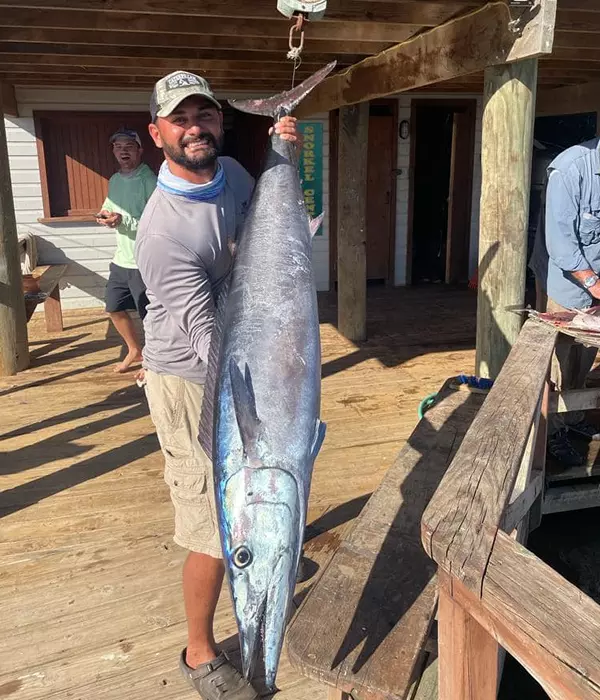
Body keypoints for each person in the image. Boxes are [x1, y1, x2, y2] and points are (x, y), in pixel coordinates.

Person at [135, 71, 301, 700]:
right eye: (180, 119)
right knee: (212, 522)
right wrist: (271, 381)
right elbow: (210, 339)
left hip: (246, 352)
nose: (195, 128)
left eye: (205, 115)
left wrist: (285, 148)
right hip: (191, 374)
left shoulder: (234, 173)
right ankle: (200, 653)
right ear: (158, 134)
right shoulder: (162, 230)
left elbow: (268, 237)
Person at [530, 136, 600, 467]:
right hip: (563, 281)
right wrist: (596, 285)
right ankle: (550, 434)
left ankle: (573, 418)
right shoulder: (570, 169)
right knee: (557, 359)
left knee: (585, 353)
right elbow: (561, 246)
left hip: (597, 283)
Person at [96, 128, 157, 373]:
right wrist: (103, 215)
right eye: (118, 146)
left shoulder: (149, 180)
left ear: (140, 150)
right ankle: (135, 349)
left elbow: (157, 221)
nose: (123, 150)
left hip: (143, 261)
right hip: (121, 259)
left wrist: (123, 220)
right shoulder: (115, 180)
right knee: (113, 307)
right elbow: (109, 206)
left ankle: (154, 361)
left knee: (149, 316)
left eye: (129, 146)